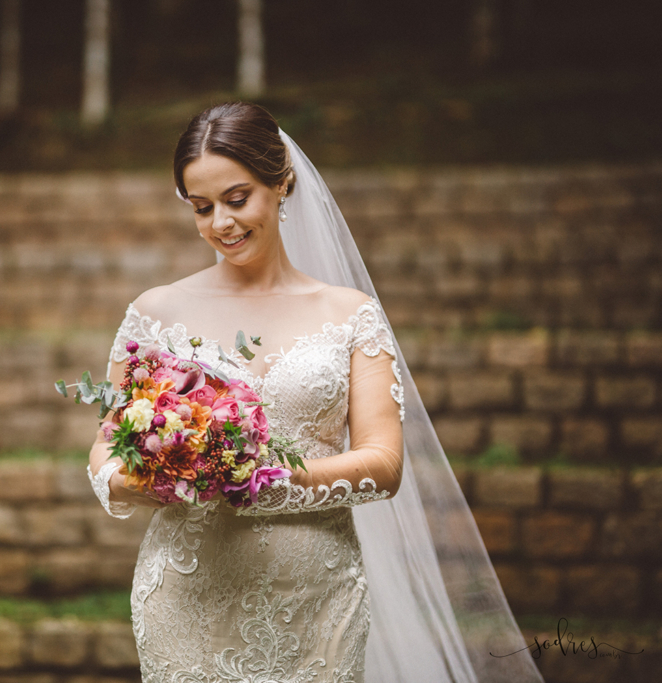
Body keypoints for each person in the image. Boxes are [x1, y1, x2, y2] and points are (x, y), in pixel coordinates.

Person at [88, 102, 544, 683]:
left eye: (236, 198)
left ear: (282, 185)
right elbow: (107, 453)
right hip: (185, 595)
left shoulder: (352, 316)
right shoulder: (153, 314)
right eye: (201, 208)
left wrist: (258, 480)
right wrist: (172, 470)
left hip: (316, 598)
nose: (220, 223)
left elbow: (384, 464)